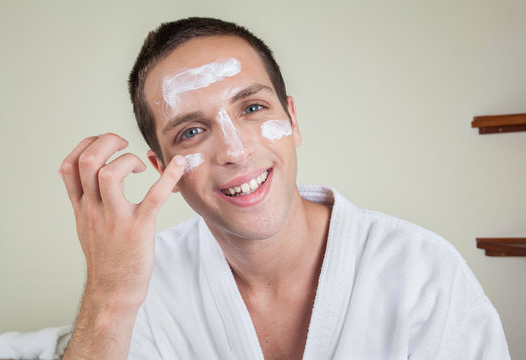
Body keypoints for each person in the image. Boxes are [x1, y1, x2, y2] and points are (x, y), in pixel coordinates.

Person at [60, 17, 510, 359]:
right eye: (191, 132)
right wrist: (109, 295)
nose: (234, 151)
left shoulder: (422, 272)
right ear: (164, 169)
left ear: (292, 120)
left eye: (253, 107)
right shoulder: (145, 286)